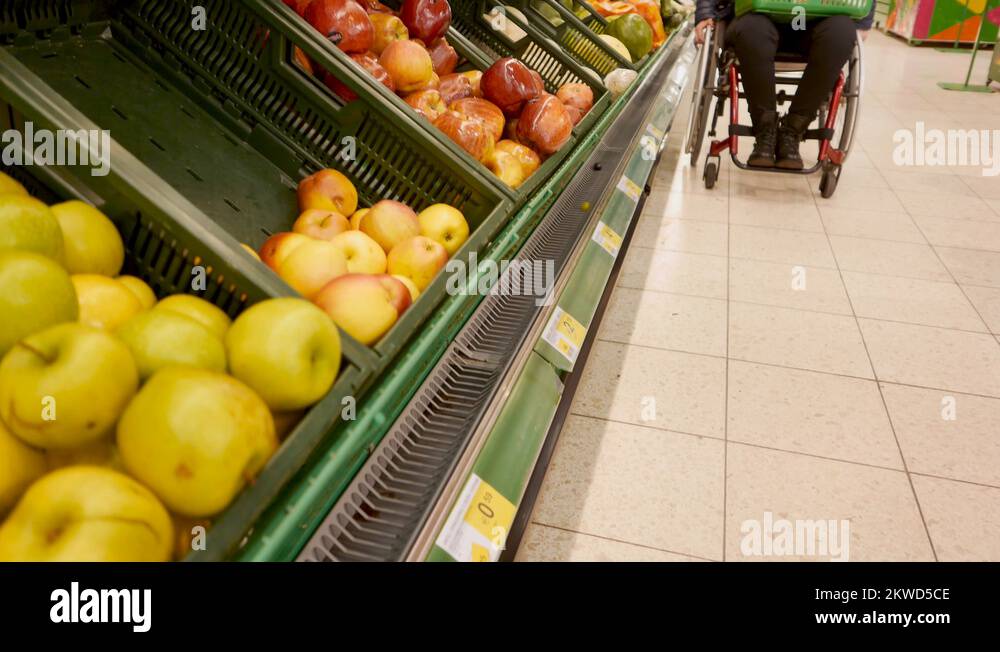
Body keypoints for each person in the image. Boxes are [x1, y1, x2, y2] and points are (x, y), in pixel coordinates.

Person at [694, 1, 874, 169]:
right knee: (753, 29)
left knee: (841, 33)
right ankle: (765, 130)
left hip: (815, 21)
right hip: (756, 16)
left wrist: (864, 21)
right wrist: (705, 13)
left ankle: (792, 131)